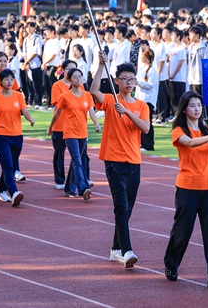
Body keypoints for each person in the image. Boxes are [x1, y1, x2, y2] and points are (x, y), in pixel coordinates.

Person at [90, 52, 150, 269]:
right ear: (117, 81)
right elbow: (94, 91)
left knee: (128, 209)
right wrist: (101, 65)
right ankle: (127, 251)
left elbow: (145, 128)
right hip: (114, 160)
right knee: (121, 207)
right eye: (124, 79)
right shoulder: (110, 100)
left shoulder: (141, 106)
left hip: (134, 161)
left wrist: (127, 112)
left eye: (132, 79)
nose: (128, 83)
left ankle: (115, 249)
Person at [164, 91, 208, 289]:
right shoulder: (179, 131)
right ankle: (171, 264)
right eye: (192, 105)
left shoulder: (207, 129)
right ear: (184, 109)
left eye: (199, 105)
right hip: (187, 188)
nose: (197, 109)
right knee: (183, 231)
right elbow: (191, 143)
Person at [0, 69, 35, 207]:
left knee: (10, 165)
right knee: (8, 166)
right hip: (1, 136)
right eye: (6, 79)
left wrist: (30, 119)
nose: (9, 81)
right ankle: (14, 192)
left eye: (12, 79)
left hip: (17, 136)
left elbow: (24, 110)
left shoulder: (18, 96)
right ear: (0, 81)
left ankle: (1, 190)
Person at [49, 68, 97, 200]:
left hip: (83, 132)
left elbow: (91, 112)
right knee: (77, 160)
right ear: (70, 79)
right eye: (75, 77)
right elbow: (57, 113)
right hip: (69, 132)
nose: (78, 79)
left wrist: (96, 123)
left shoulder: (87, 95)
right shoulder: (65, 96)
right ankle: (83, 188)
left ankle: (69, 189)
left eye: (80, 76)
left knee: (76, 161)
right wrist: (51, 127)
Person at [48, 60, 77, 191]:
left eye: (74, 69)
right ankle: (59, 179)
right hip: (60, 125)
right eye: (69, 69)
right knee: (59, 153)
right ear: (63, 70)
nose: (72, 72)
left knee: (80, 155)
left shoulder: (79, 85)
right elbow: (59, 102)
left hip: (75, 125)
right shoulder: (57, 85)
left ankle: (82, 178)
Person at [135, 47, 158, 151]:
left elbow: (150, 85)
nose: (141, 58)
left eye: (144, 56)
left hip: (148, 99)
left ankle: (148, 144)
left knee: (147, 122)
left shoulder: (152, 70)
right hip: (140, 98)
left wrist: (138, 83)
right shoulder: (142, 69)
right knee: (140, 121)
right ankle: (142, 142)